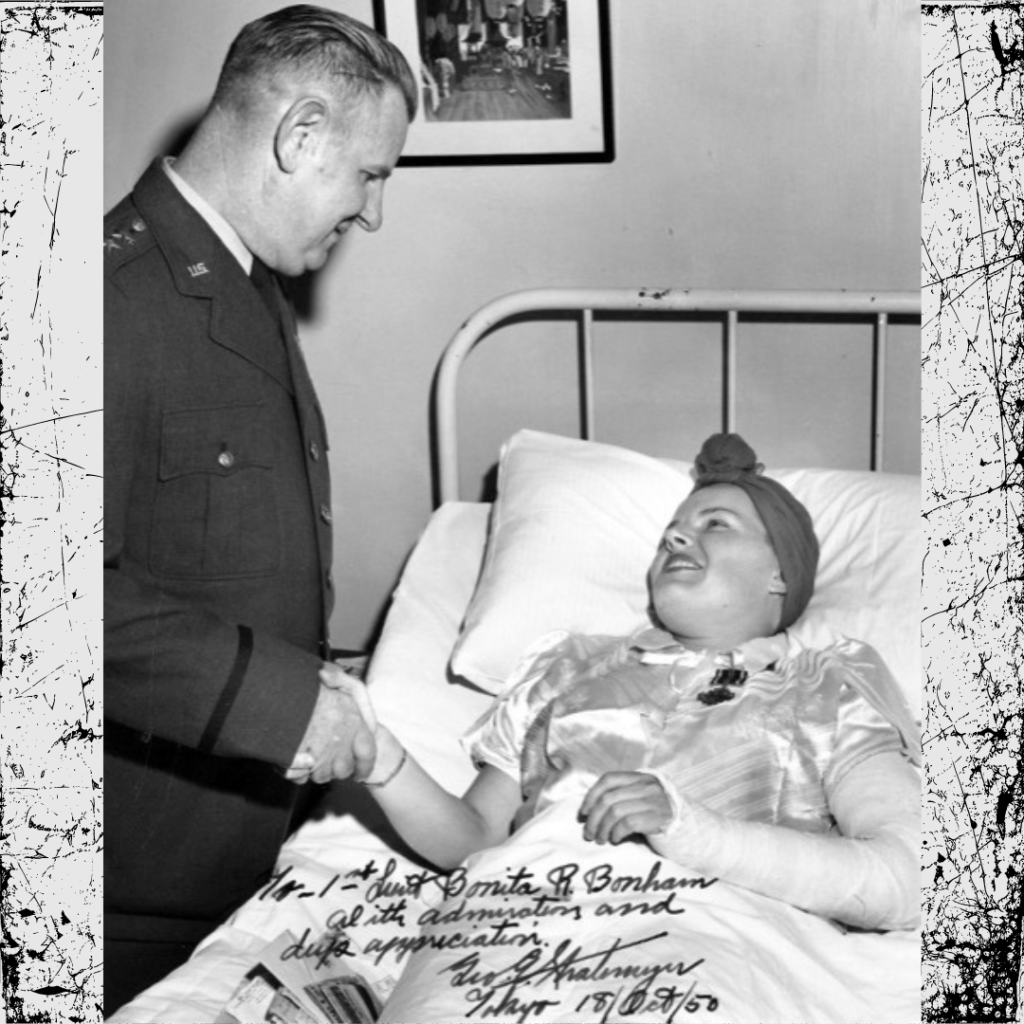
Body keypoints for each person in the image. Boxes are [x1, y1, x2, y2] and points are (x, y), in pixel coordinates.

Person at [103, 6, 417, 1013]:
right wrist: (284, 705)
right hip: (134, 871)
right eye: (370, 174)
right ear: (301, 137)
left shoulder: (244, 279)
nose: (371, 212)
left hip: (244, 837)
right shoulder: (102, 299)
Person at [324, 432, 921, 934]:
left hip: (713, 949)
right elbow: (471, 839)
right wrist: (379, 757)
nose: (676, 538)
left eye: (717, 524)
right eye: (671, 531)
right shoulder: (568, 669)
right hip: (521, 940)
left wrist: (691, 831)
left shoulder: (826, 690)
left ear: (780, 575)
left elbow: (907, 880)